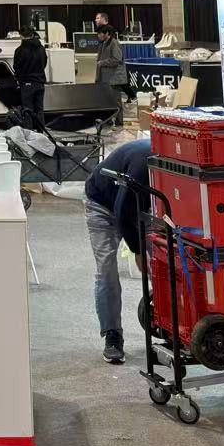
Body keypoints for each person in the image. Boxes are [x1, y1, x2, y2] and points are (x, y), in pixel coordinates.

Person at [83, 136, 152, 364]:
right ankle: (112, 335)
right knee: (107, 269)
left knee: (163, 261)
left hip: (140, 208)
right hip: (101, 204)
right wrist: (138, 251)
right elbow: (123, 213)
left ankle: (170, 326)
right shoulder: (143, 165)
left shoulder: (176, 167)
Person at [12, 28, 49, 125]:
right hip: (40, 82)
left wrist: (19, 78)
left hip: (27, 83)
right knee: (39, 110)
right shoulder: (41, 48)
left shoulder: (20, 50)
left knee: (28, 110)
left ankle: (30, 130)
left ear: (21, 36)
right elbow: (44, 63)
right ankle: (41, 130)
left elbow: (17, 67)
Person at [95, 23, 127, 89]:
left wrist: (102, 62)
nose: (98, 36)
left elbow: (116, 60)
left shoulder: (114, 43)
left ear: (107, 33)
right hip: (105, 80)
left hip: (115, 80)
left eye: (100, 33)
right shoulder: (102, 44)